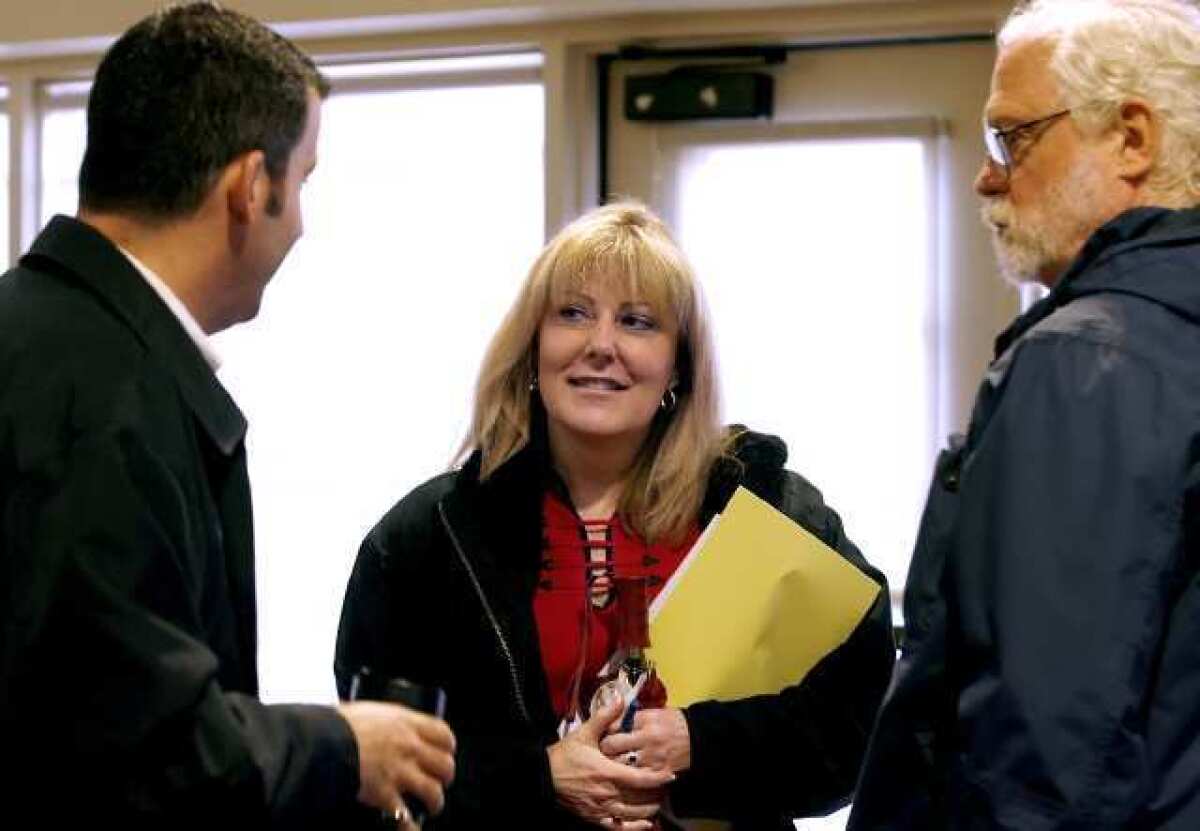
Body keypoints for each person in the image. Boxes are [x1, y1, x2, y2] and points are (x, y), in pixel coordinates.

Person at [0, 4, 454, 828]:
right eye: (304, 180)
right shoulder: (106, 402)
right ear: (250, 188)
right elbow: (133, 756)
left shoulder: (35, 336)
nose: (304, 222)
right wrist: (343, 747)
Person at [335, 201, 895, 829]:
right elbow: (379, 774)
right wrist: (540, 777)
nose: (601, 346)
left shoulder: (770, 510)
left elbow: (863, 722)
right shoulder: (425, 538)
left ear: (678, 363)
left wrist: (700, 745)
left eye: (637, 322)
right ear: (533, 345)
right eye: (572, 314)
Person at [848, 0, 1200, 827]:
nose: (987, 174)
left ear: (1133, 138)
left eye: (1015, 136)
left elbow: (1044, 753)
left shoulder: (1087, 359)